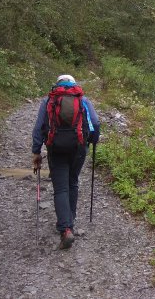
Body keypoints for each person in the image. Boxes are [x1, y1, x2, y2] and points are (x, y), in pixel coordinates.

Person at [31, 74, 100, 249]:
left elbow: (39, 128)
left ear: (58, 84)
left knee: (60, 187)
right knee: (72, 182)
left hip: (56, 149)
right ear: (74, 84)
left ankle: (65, 228)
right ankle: (71, 219)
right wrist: (92, 141)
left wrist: (36, 152)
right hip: (78, 148)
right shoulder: (83, 100)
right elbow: (96, 123)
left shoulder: (49, 101)